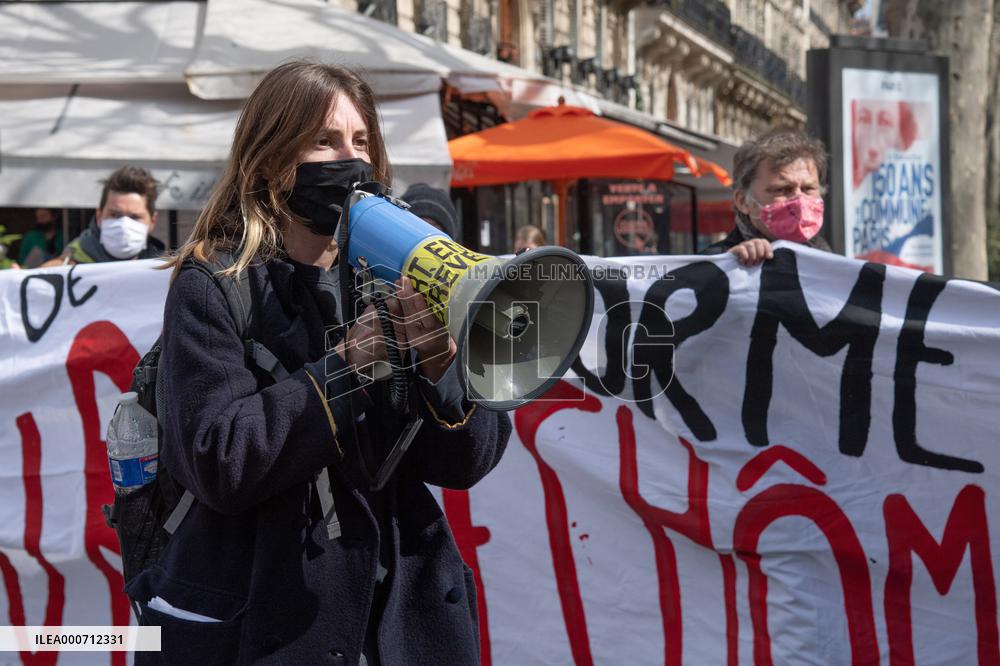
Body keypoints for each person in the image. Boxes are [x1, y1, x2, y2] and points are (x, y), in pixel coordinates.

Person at [138, 61, 510, 665]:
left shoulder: (391, 273)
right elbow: (219, 462)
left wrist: (444, 367)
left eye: (361, 142)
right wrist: (346, 369)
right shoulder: (215, 285)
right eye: (325, 140)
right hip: (269, 617)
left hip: (400, 623)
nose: (350, 158)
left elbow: (465, 463)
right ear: (271, 159)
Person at [702, 128, 831, 266]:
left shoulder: (827, 258)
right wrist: (727, 267)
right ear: (743, 201)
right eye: (781, 189)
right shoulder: (713, 264)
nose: (799, 200)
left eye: (808, 189)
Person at [42, 166, 164, 267]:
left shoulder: (167, 271)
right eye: (115, 215)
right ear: (99, 216)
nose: (124, 225)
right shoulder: (63, 269)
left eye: (135, 217)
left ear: (152, 221)